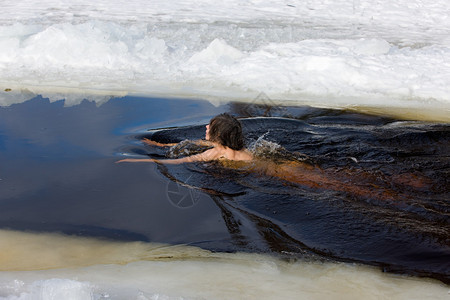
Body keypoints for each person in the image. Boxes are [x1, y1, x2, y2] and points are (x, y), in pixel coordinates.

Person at [117, 113, 253, 164]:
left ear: (218, 135)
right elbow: (194, 143)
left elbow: (181, 161)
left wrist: (134, 159)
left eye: (210, 126)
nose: (206, 126)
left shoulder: (215, 153)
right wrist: (160, 145)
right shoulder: (237, 147)